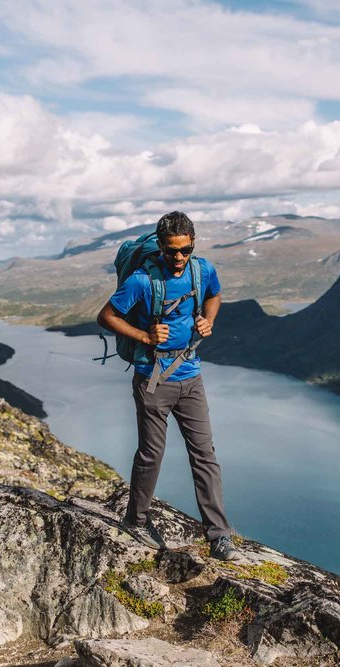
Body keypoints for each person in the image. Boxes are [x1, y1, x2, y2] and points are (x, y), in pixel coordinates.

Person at [96, 211, 241, 561]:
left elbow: (215, 295)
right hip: (153, 378)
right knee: (151, 454)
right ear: (161, 246)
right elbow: (106, 316)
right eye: (172, 251)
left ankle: (219, 536)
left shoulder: (201, 269)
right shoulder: (143, 280)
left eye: (185, 250)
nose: (179, 258)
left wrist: (208, 320)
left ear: (193, 245)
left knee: (205, 455)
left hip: (190, 375)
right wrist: (144, 335)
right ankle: (137, 519)